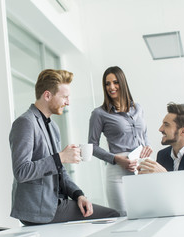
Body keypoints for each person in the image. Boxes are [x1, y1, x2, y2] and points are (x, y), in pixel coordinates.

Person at [9, 69, 120, 226]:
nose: (68, 102)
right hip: (40, 209)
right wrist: (60, 157)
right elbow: (21, 171)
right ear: (47, 95)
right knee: (114, 215)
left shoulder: (53, 126)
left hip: (55, 203)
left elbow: (60, 170)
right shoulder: (25, 123)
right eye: (65, 97)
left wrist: (78, 195)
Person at [88, 66, 152, 216]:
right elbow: (92, 146)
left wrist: (147, 146)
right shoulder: (99, 113)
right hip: (118, 173)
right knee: (123, 217)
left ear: (122, 83)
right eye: (107, 83)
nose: (111, 87)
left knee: (149, 212)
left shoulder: (138, 108)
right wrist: (116, 159)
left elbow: (145, 133)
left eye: (115, 82)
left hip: (143, 167)